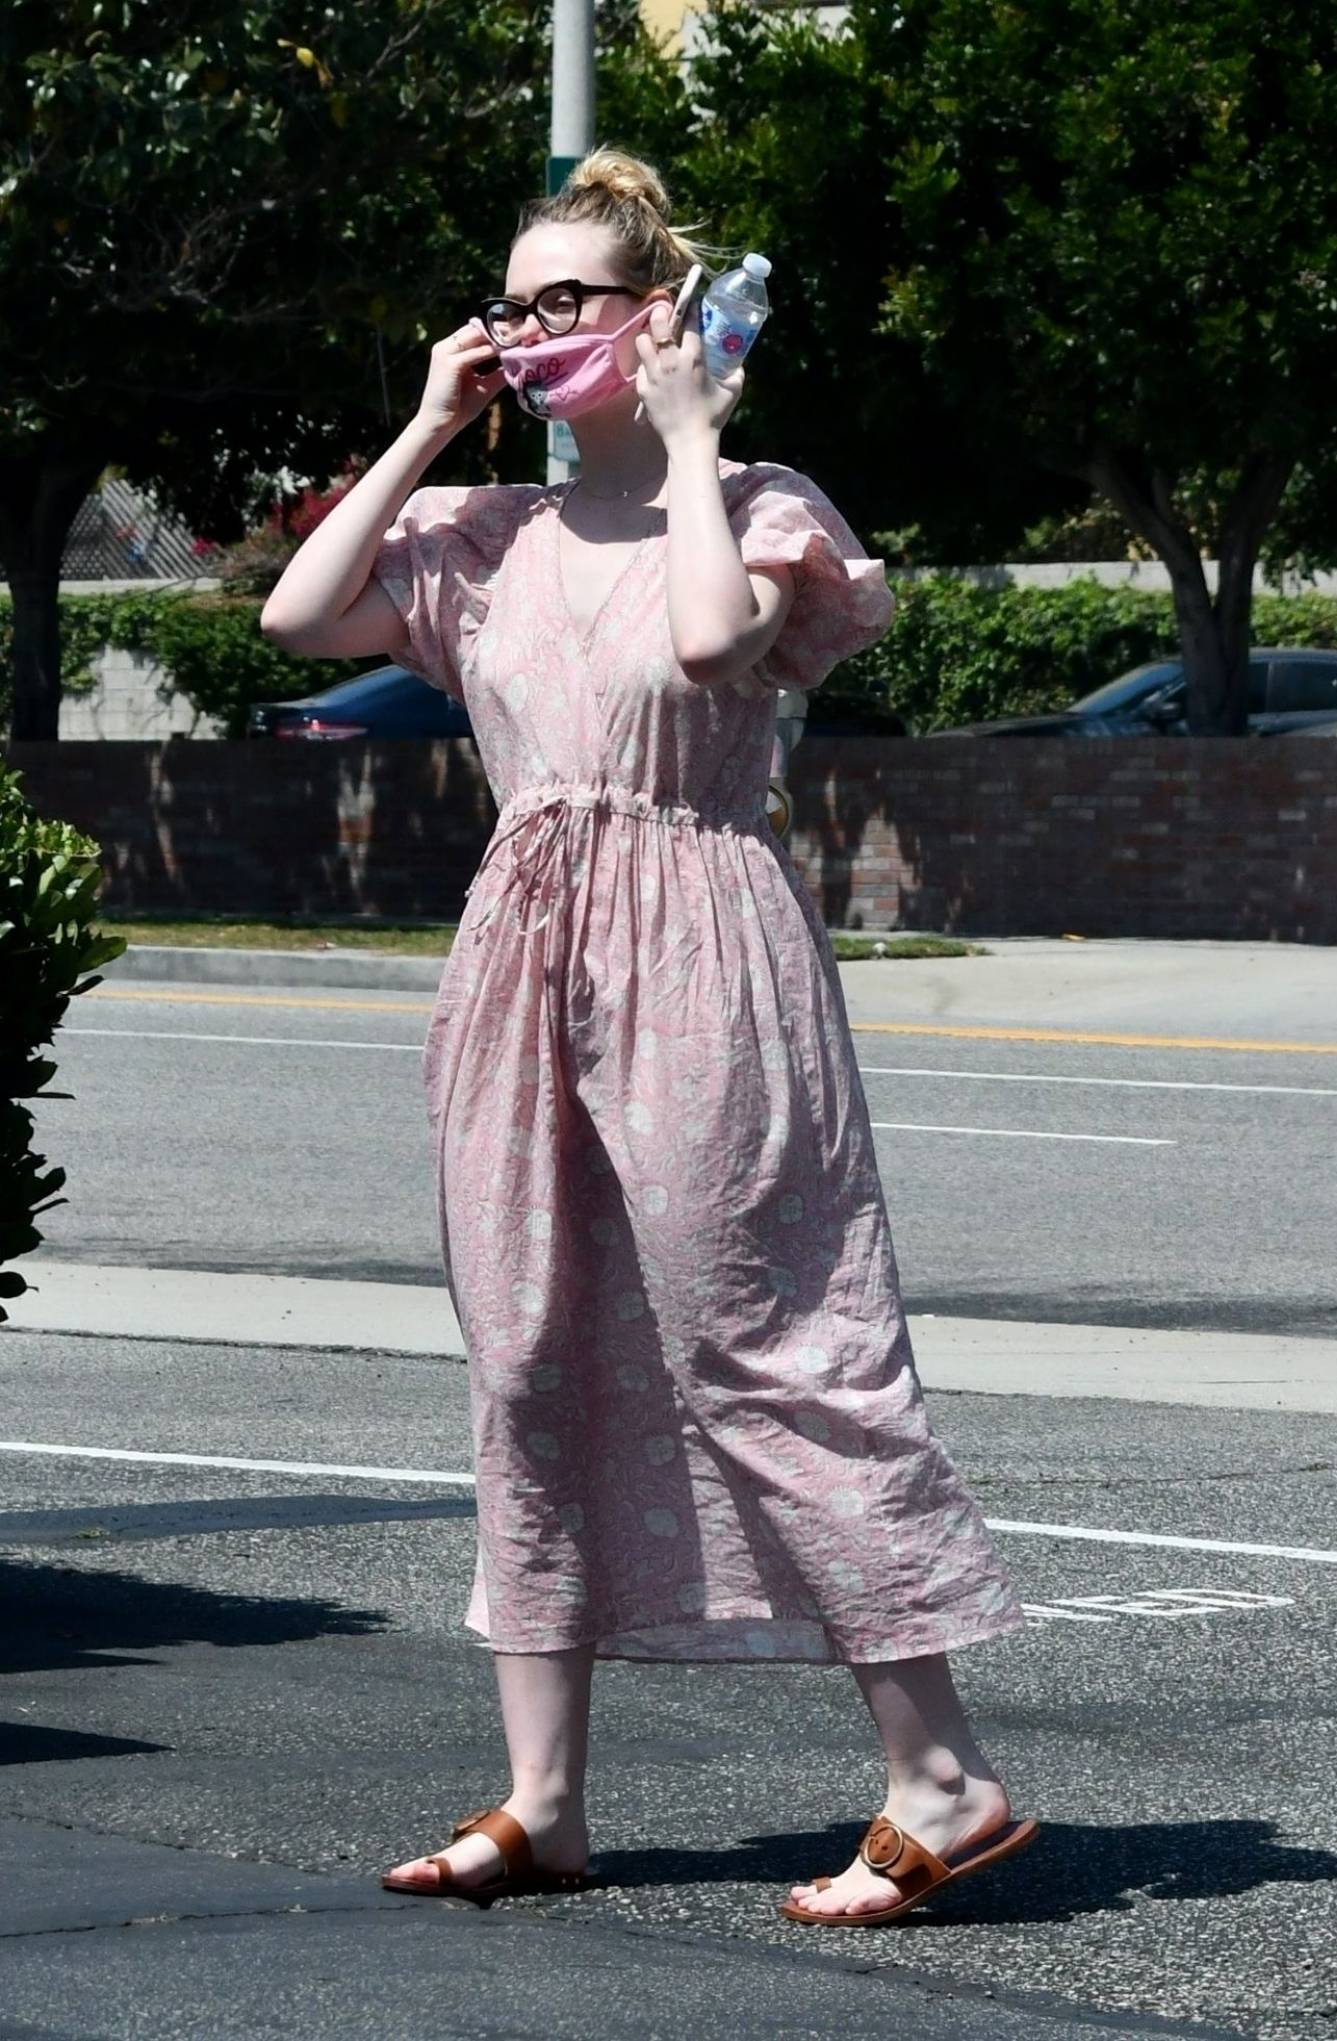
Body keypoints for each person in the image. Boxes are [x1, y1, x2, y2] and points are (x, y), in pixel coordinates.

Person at [260, 147, 1036, 1926]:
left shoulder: (757, 506)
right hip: (518, 952)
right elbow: (297, 619)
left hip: (699, 935)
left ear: (658, 316)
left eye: (566, 303)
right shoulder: (479, 536)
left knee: (768, 1339)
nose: (528, 330)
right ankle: (544, 1798)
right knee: (523, 1349)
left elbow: (705, 652)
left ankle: (943, 1769)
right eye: (511, 303)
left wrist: (692, 438)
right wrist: (424, 428)